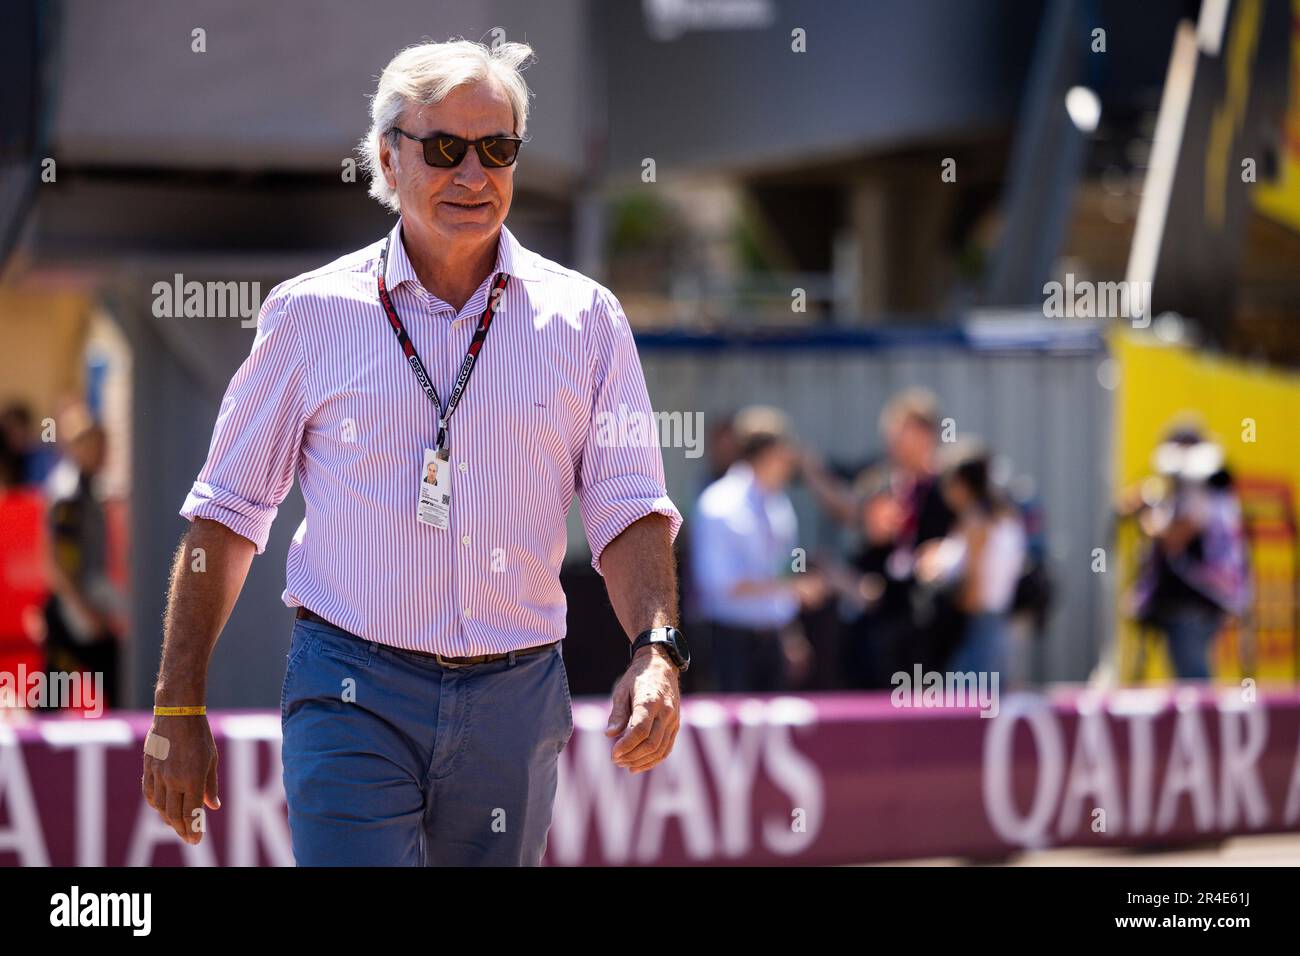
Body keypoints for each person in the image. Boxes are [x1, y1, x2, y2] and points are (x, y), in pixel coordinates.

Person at [144, 39, 688, 866]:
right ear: (387, 161)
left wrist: (655, 653)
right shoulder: (309, 316)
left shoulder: (588, 320)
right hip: (351, 688)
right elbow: (223, 519)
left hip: (517, 696)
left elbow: (630, 508)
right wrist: (177, 708)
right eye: (444, 149)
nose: (473, 174)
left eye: (497, 149)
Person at [803, 388, 958, 684]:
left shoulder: (947, 488)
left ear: (926, 435)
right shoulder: (883, 481)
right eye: (892, 432)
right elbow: (865, 526)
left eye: (903, 433)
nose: (894, 441)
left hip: (927, 628)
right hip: (879, 624)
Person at [690, 406, 825, 692]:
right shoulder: (718, 504)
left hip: (771, 642)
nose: (789, 464)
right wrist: (792, 588)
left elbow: (784, 568)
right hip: (727, 641)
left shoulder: (780, 504)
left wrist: (790, 633)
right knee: (734, 729)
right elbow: (718, 584)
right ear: (766, 456)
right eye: (783, 455)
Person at [1121, 423, 1250, 680]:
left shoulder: (1199, 487)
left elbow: (1174, 539)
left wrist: (1149, 519)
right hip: (1202, 601)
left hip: (1192, 604)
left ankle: (1206, 722)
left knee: (1193, 684)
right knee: (1192, 679)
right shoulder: (1212, 490)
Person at [915, 443, 1025, 678]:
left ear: (962, 485)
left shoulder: (978, 524)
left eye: (947, 483)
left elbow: (974, 595)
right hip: (992, 630)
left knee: (969, 709)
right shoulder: (1003, 519)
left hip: (978, 632)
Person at [41, 407, 122, 710]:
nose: (103, 453)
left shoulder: (89, 488)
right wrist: (83, 611)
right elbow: (56, 563)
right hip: (70, 609)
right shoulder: (68, 493)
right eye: (97, 446)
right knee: (55, 695)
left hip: (84, 603)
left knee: (59, 692)